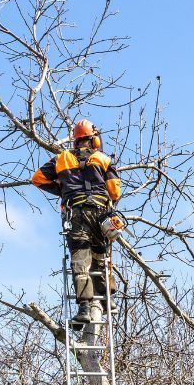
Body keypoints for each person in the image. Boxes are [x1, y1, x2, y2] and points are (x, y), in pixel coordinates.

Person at [31, 119, 122, 325]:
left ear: (75, 140)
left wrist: (63, 190)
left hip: (76, 213)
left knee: (80, 261)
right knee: (100, 255)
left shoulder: (61, 158)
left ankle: (84, 308)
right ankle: (108, 298)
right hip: (100, 214)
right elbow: (115, 191)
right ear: (93, 139)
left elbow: (37, 178)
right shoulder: (104, 159)